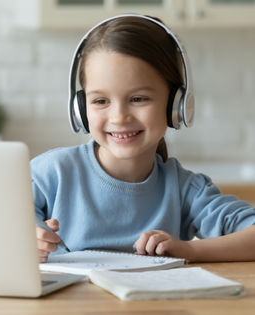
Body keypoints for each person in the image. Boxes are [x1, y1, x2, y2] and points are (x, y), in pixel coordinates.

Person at [31, 15, 255, 264]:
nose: (119, 117)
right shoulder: (51, 173)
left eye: (138, 99)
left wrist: (189, 250)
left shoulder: (184, 190)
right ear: (80, 109)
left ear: (176, 105)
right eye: (100, 101)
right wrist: (26, 232)